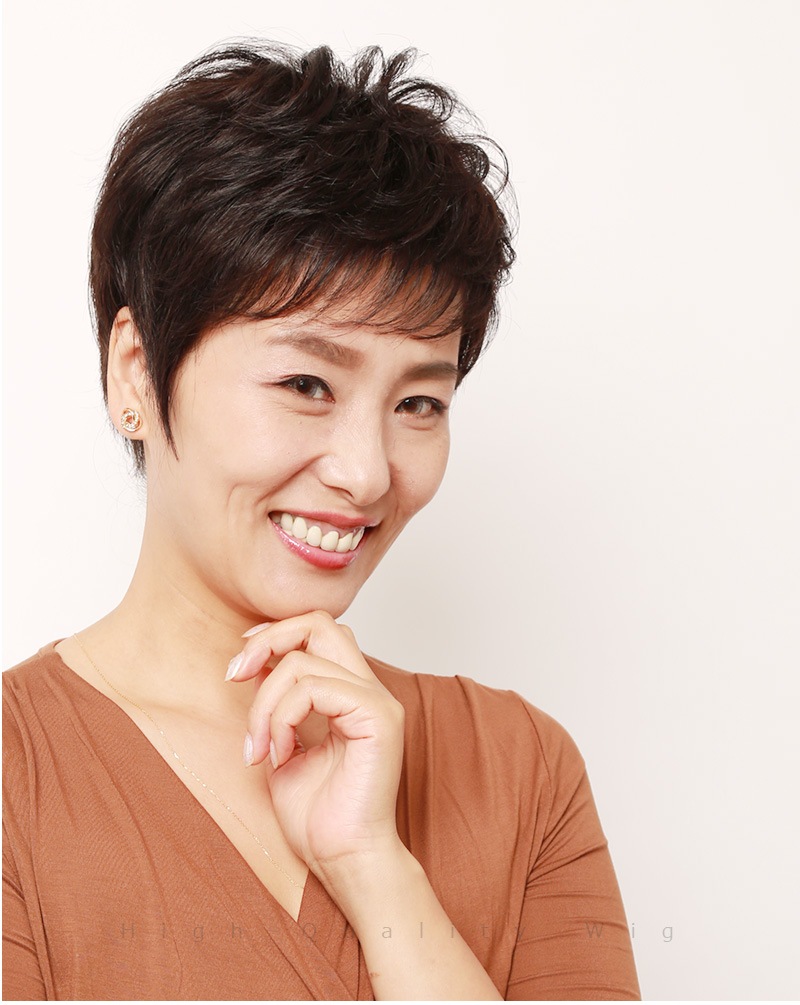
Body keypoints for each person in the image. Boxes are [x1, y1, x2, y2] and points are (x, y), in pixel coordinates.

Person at [2, 41, 641, 1001]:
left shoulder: (521, 767)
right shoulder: (19, 777)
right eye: (307, 383)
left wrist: (374, 867)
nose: (367, 472)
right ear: (136, 372)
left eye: (419, 403)